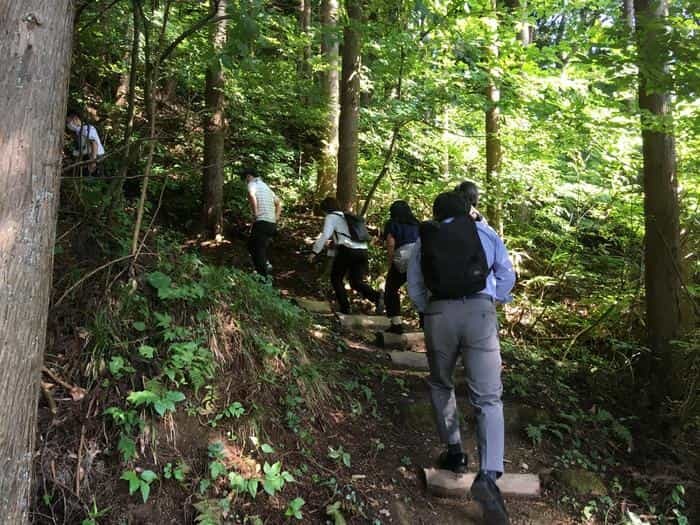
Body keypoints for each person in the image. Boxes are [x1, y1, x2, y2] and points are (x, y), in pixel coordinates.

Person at [407, 190, 515, 525]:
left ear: (437, 214)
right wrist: (491, 301)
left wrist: (430, 310)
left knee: (441, 383)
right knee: (488, 397)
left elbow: (415, 285)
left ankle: (455, 454)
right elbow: (507, 274)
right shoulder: (485, 232)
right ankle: (488, 475)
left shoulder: (428, 237)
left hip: (440, 316)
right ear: (468, 210)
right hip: (480, 313)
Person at [309, 197, 384, 315]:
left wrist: (314, 252)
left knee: (336, 278)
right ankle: (377, 297)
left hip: (347, 251)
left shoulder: (331, 217)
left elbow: (325, 236)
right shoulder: (347, 216)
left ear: (325, 209)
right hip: (363, 251)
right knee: (356, 281)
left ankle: (345, 308)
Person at [382, 200, 420, 334]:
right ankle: (425, 322)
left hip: (402, 259)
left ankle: (396, 323)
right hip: (418, 258)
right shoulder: (417, 224)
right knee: (420, 290)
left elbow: (391, 244)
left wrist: (390, 262)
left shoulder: (392, 224)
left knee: (391, 289)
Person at [241, 167, 281, 277]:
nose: (246, 181)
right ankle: (265, 265)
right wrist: (276, 217)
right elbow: (278, 203)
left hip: (262, 222)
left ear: (249, 176)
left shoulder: (252, 184)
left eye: (245, 179)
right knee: (254, 246)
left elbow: (251, 194)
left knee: (257, 248)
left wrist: (255, 212)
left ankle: (263, 276)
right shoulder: (266, 187)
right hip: (271, 224)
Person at [66, 110, 105, 176]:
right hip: (90, 158)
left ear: (76, 119)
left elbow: (94, 143)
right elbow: (86, 148)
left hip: (96, 158)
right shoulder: (79, 132)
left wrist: (93, 161)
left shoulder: (86, 128)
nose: (69, 125)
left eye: (69, 122)